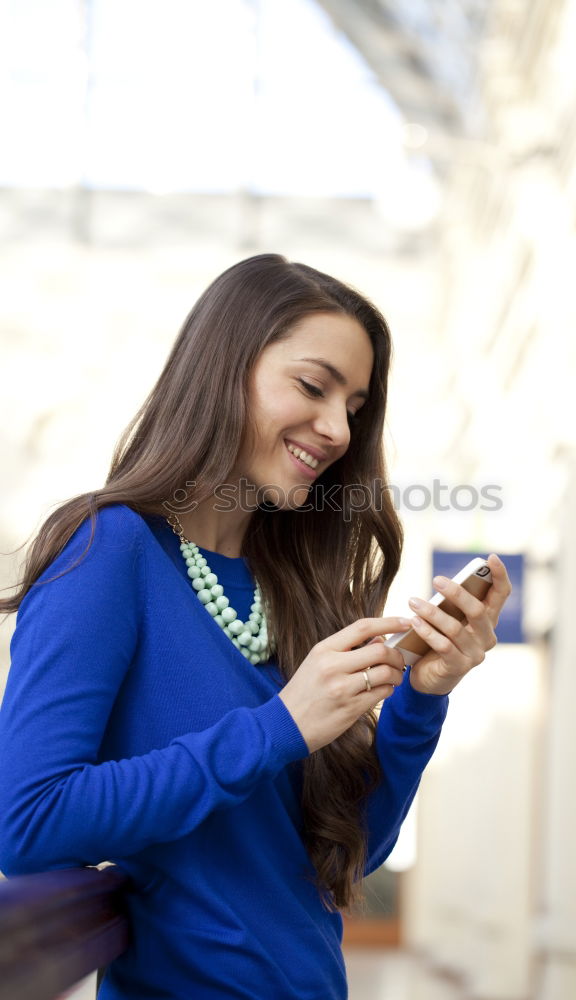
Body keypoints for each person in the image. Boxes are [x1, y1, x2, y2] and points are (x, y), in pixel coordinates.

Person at [0, 254, 511, 999]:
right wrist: (280, 725)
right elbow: (29, 824)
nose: (337, 428)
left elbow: (346, 856)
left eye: (356, 407)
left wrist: (422, 699)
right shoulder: (110, 549)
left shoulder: (294, 587)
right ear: (223, 369)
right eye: (313, 386)